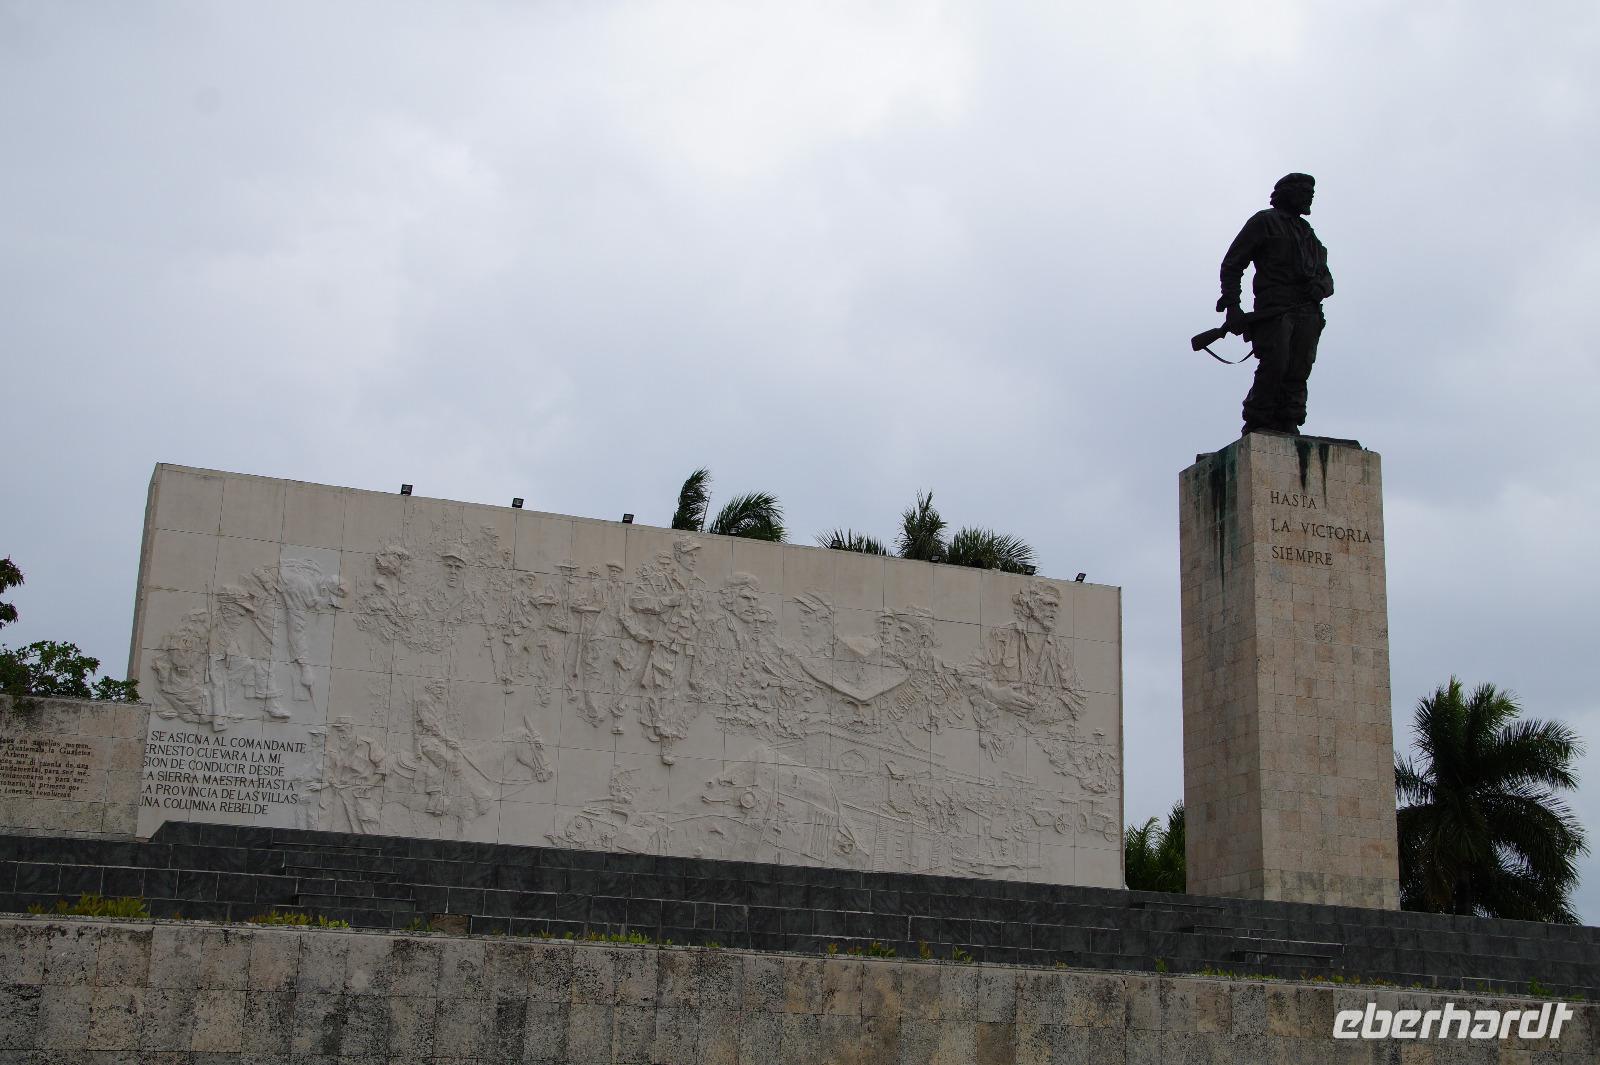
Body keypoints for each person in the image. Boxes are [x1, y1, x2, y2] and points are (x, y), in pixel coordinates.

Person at [1219, 173, 1335, 435]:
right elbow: (1233, 264)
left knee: (1299, 368)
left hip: (1308, 311)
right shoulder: (1265, 222)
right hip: (1275, 310)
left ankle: (1289, 419)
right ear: (1287, 193)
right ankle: (1258, 420)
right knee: (1275, 364)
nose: (1310, 196)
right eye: (1304, 191)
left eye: (1311, 192)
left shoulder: (1309, 234)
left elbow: (1327, 277)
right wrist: (1233, 305)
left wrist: (1321, 287)